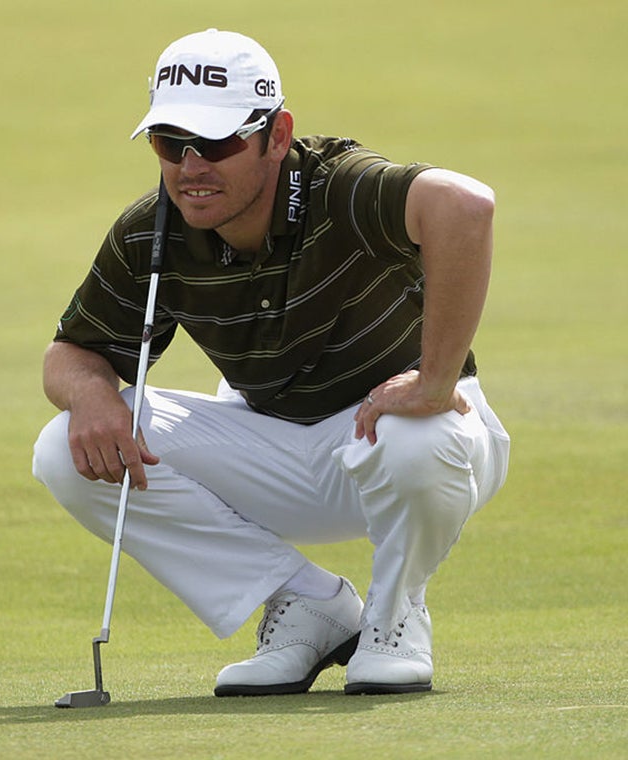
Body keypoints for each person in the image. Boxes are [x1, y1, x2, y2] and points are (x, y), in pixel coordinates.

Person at [32, 28, 510, 696]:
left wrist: (435, 382)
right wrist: (90, 395)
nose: (191, 167)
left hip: (412, 442)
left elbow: (466, 206)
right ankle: (306, 604)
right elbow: (71, 353)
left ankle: (395, 615)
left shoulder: (339, 187)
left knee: (414, 437)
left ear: (277, 133)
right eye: (172, 144)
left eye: (219, 144)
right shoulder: (154, 230)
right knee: (66, 448)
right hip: (275, 451)